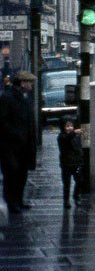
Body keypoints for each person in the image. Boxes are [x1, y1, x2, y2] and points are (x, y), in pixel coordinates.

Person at [0, 70, 37, 214]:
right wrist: (16, 134)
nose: (32, 85)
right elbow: (2, 121)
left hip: (24, 145)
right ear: (22, 83)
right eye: (30, 82)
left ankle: (19, 201)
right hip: (10, 145)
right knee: (12, 174)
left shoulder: (26, 97)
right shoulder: (8, 98)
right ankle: (12, 203)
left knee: (22, 173)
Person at [57, 119, 84, 208]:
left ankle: (76, 196)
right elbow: (66, 139)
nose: (70, 128)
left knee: (79, 180)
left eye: (71, 126)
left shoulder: (76, 137)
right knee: (67, 183)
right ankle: (66, 200)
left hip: (76, 163)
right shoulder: (61, 137)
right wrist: (74, 133)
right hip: (66, 164)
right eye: (67, 126)